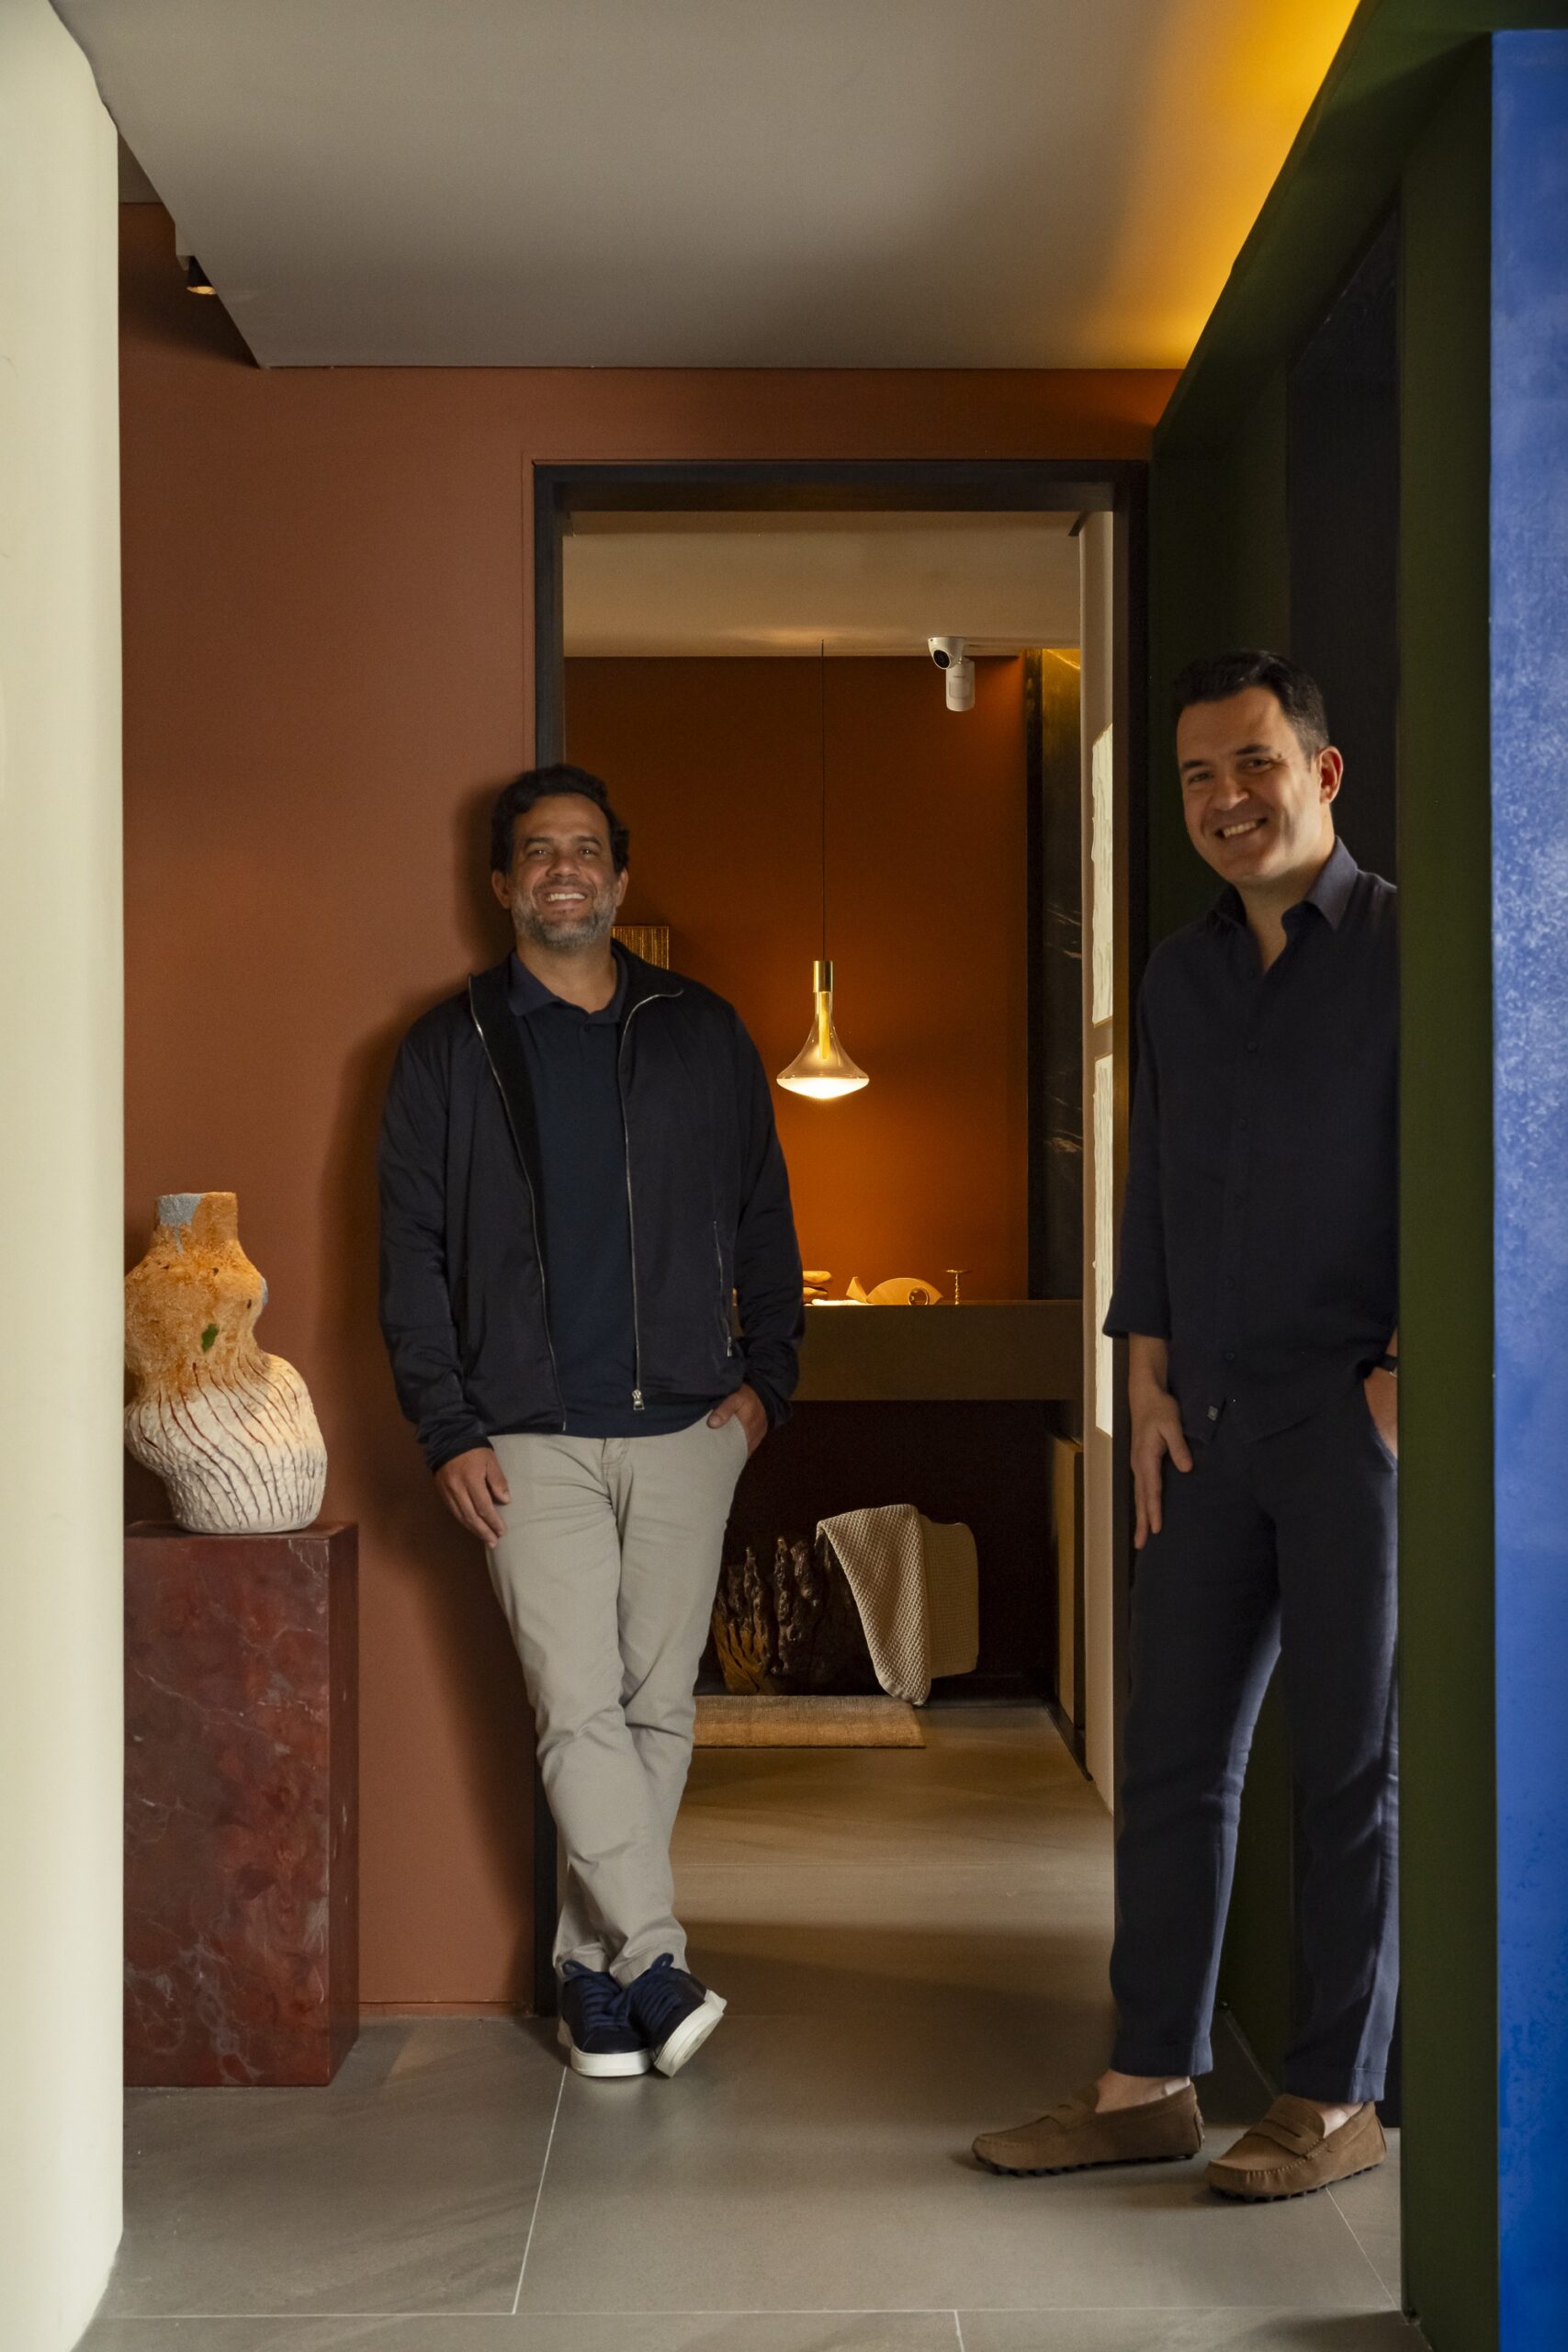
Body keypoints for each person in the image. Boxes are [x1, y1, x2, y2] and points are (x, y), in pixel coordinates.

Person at [974, 651, 1398, 2200]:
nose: (1226, 800)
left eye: (1254, 764)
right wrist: (1142, 1378)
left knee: (1349, 1773)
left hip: (1353, 1424)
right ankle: (1147, 2081)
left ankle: (1336, 2100)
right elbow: (1151, 1184)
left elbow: (1478, 1163)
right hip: (1203, 1422)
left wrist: (1402, 1381)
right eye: (1199, 777)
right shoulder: (1175, 977)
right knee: (1170, 1763)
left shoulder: (1410, 951)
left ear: (1322, 773)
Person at [378, 763, 803, 2081]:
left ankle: (589, 1977)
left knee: (657, 1706)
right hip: (525, 1434)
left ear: (616, 877)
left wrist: (768, 1383)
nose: (562, 870)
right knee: (576, 1706)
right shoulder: (448, 1049)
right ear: (502, 884)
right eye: (537, 852)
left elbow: (764, 1212)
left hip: (689, 1427)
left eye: (583, 850)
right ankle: (658, 1960)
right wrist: (448, 1429)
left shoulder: (703, 1032)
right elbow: (410, 1257)